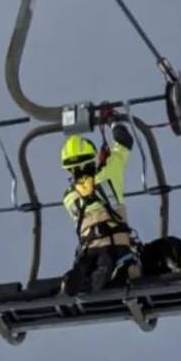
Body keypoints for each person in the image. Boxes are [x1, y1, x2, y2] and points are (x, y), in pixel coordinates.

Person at [59, 118, 141, 296]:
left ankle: (78, 279)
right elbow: (124, 141)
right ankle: (106, 277)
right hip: (116, 248)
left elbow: (86, 190)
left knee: (85, 265)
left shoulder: (68, 198)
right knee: (109, 263)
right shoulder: (109, 176)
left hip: (87, 250)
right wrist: (113, 120)